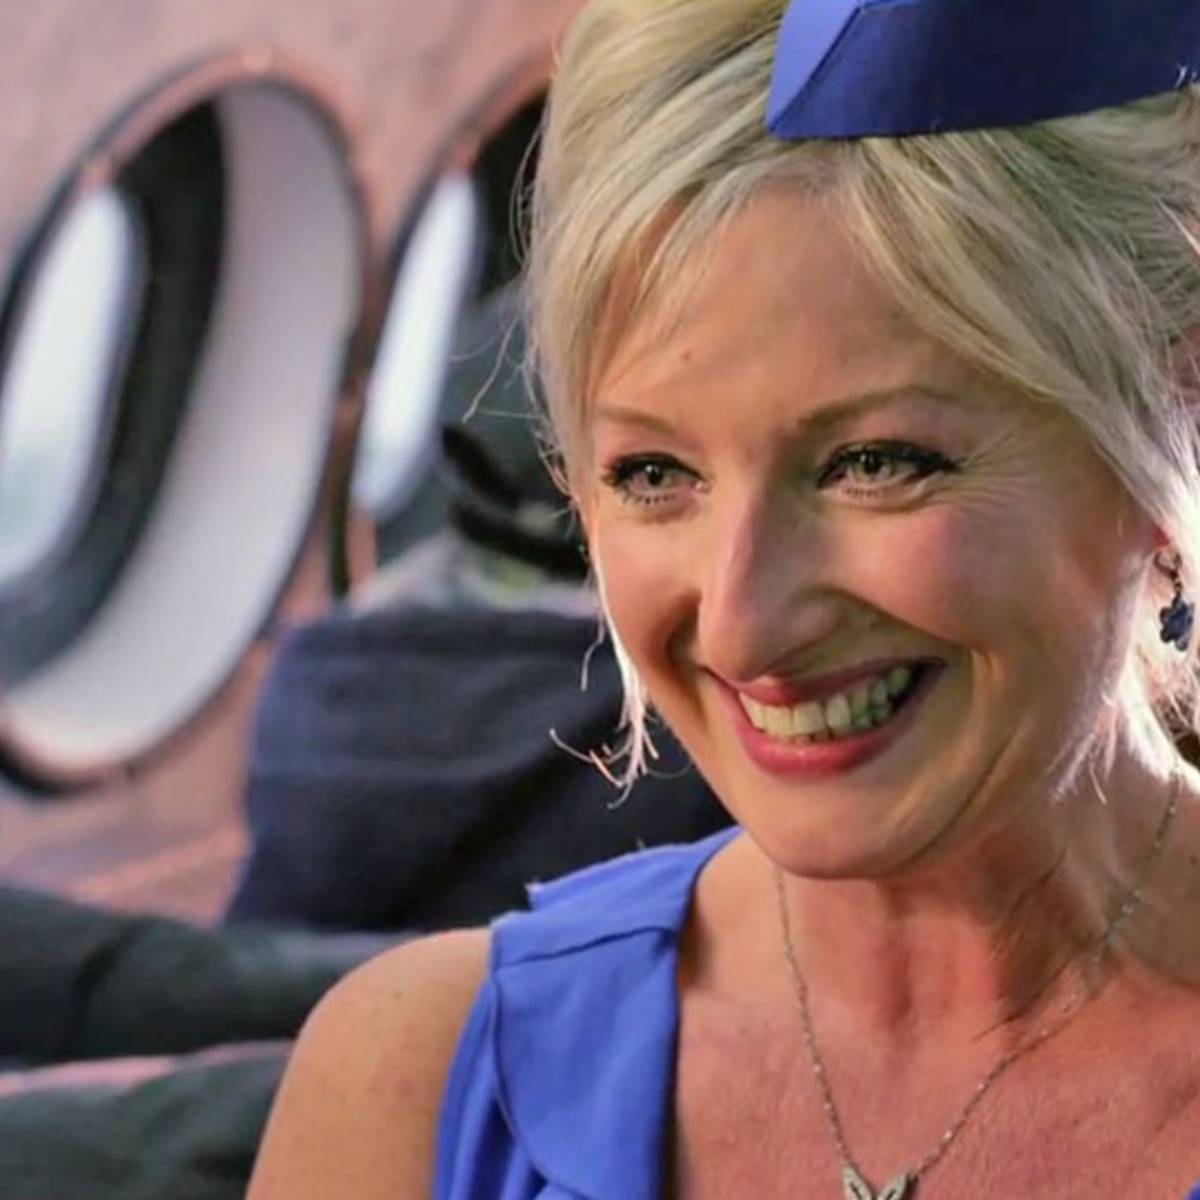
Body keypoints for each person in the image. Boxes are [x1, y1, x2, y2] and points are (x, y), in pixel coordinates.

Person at [248, 1, 1200, 1196]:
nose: (744, 624)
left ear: (1175, 419)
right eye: (654, 475)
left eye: (873, 463)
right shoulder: (411, 1081)